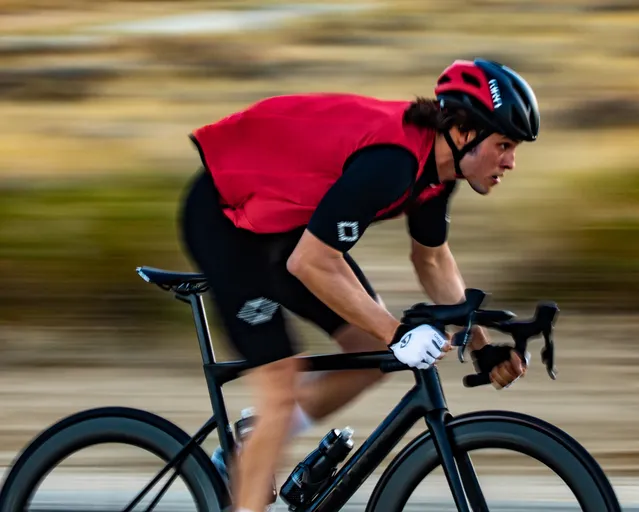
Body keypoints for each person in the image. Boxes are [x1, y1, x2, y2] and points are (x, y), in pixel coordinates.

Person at [180, 58, 540, 512]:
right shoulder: (393, 163)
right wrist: (397, 333)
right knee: (281, 383)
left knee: (365, 354)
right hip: (226, 216)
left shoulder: (437, 174)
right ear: (465, 131)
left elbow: (431, 259)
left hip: (281, 226)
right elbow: (312, 262)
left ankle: (255, 441)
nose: (510, 161)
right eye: (505, 144)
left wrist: (482, 346)